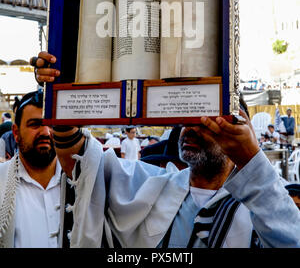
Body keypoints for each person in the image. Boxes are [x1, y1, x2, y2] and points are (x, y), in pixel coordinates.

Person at [32, 51, 300, 249]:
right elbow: (80, 162)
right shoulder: (151, 185)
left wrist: (251, 160)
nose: (189, 128)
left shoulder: (266, 199)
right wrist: (61, 90)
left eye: (204, 120)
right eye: (185, 119)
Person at [0, 90, 61, 248]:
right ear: (16, 133)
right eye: (35, 124)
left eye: (51, 125)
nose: (45, 132)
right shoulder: (2, 181)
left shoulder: (81, 180)